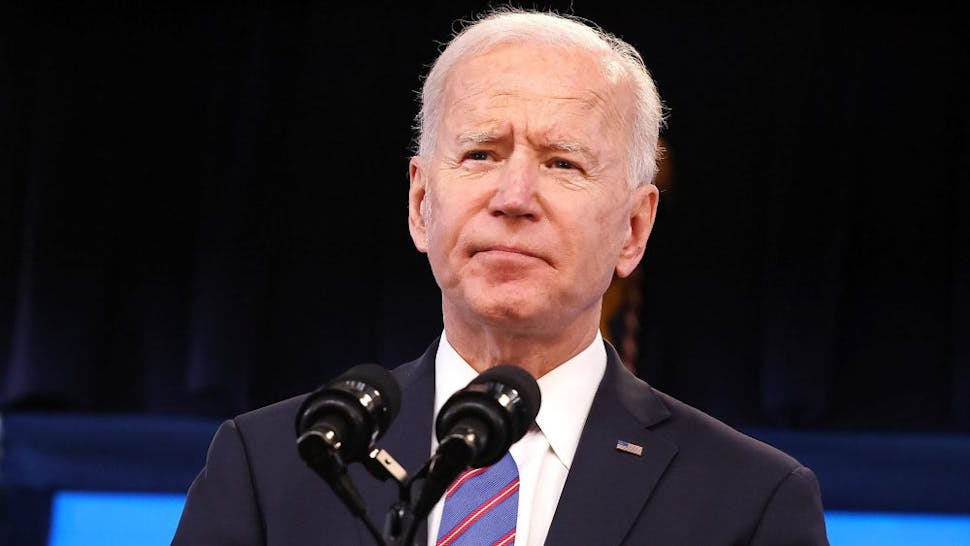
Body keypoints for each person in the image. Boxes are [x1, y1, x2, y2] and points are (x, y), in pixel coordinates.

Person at [173, 8, 828, 545]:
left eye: (562, 163)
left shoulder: (750, 503)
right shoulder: (272, 467)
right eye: (480, 153)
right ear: (421, 204)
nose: (513, 196)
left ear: (633, 228)